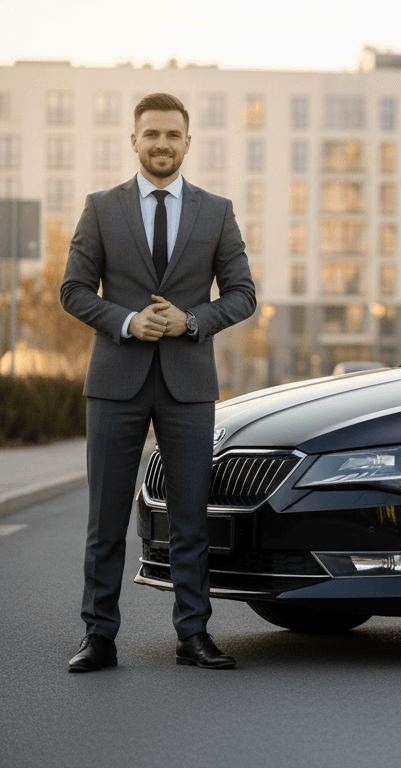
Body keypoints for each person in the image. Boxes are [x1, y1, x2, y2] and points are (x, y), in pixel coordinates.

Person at [60, 93, 255, 672]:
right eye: (152, 134)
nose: (162, 144)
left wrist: (189, 321)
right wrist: (126, 321)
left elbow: (243, 295)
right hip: (114, 383)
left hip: (188, 386)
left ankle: (193, 635)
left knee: (190, 518)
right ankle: (99, 637)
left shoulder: (216, 211)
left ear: (187, 142)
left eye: (172, 134)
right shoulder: (101, 208)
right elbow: (73, 290)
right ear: (134, 141)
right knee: (105, 521)